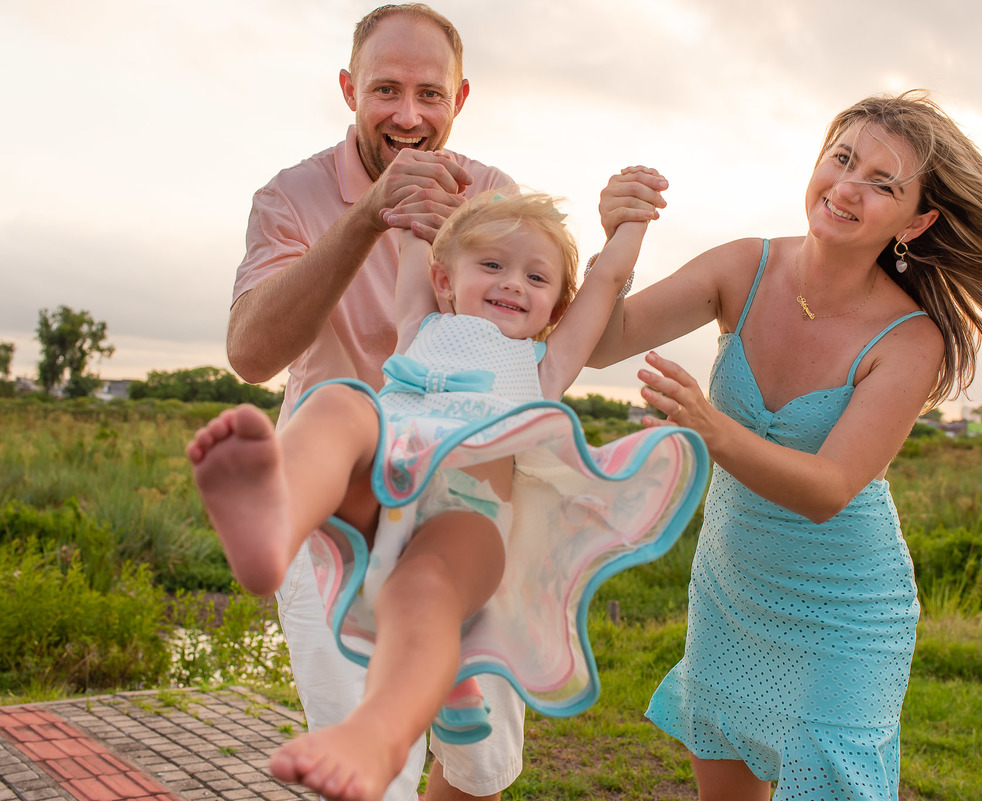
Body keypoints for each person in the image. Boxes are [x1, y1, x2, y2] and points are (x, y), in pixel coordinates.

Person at [588, 90, 982, 800]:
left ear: (917, 221)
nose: (847, 186)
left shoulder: (912, 340)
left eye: (881, 183)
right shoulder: (742, 267)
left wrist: (712, 427)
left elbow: (828, 488)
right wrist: (619, 238)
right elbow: (602, 343)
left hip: (843, 613)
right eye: (842, 158)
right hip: (731, 588)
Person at [196, 187, 707, 801]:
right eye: (492, 265)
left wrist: (630, 222)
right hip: (380, 495)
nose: (513, 283)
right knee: (338, 402)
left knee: (429, 592)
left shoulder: (543, 365)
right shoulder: (420, 325)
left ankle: (378, 732)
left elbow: (605, 283)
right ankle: (277, 522)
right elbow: (418, 236)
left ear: (555, 306)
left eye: (536, 276)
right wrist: (415, 210)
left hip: (465, 525)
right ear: (445, 280)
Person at [226, 6, 522, 799]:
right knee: (366, 769)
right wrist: (370, 215)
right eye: (386, 89)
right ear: (350, 90)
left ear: (460, 100)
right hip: (336, 509)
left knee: (480, 760)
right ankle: (271, 519)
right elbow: (251, 355)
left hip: (464, 500)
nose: (409, 114)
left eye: (431, 93)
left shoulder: (493, 193)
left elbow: (535, 333)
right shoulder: (290, 196)